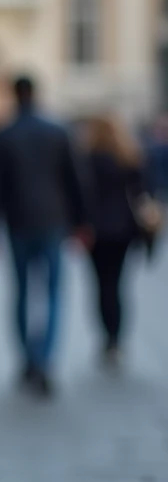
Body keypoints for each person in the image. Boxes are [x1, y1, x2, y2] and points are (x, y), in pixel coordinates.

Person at [0, 75, 87, 398]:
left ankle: (29, 358)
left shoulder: (3, 133)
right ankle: (45, 359)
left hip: (18, 223)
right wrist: (82, 222)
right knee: (52, 293)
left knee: (23, 292)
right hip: (52, 221)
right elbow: (75, 180)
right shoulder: (57, 131)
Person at [81, 116, 154, 368]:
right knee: (118, 284)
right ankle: (116, 338)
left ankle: (108, 336)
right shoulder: (128, 158)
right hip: (123, 230)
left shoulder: (88, 159)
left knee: (102, 285)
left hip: (96, 231)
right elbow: (143, 194)